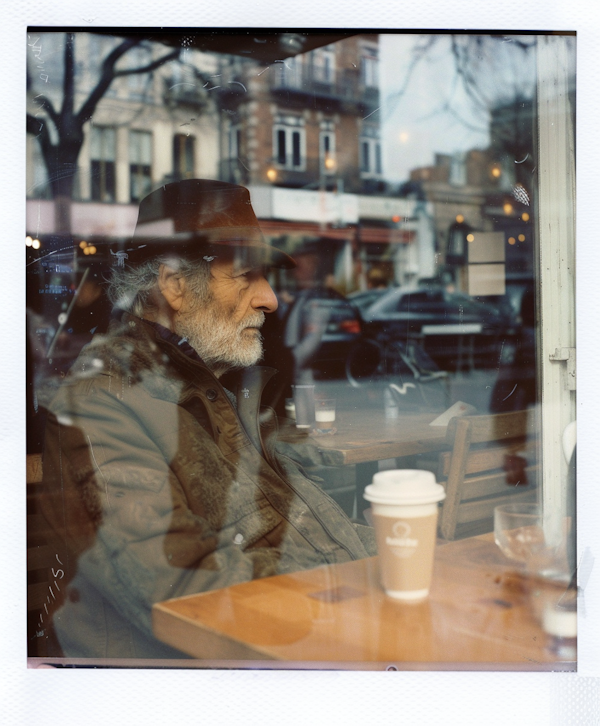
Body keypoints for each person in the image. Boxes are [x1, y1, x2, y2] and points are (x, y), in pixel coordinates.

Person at [39, 180, 375, 659]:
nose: (270, 300)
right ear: (174, 286)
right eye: (246, 276)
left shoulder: (223, 388)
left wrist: (402, 562)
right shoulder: (100, 403)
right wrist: (350, 599)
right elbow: (186, 591)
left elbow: (303, 525)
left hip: (298, 648)